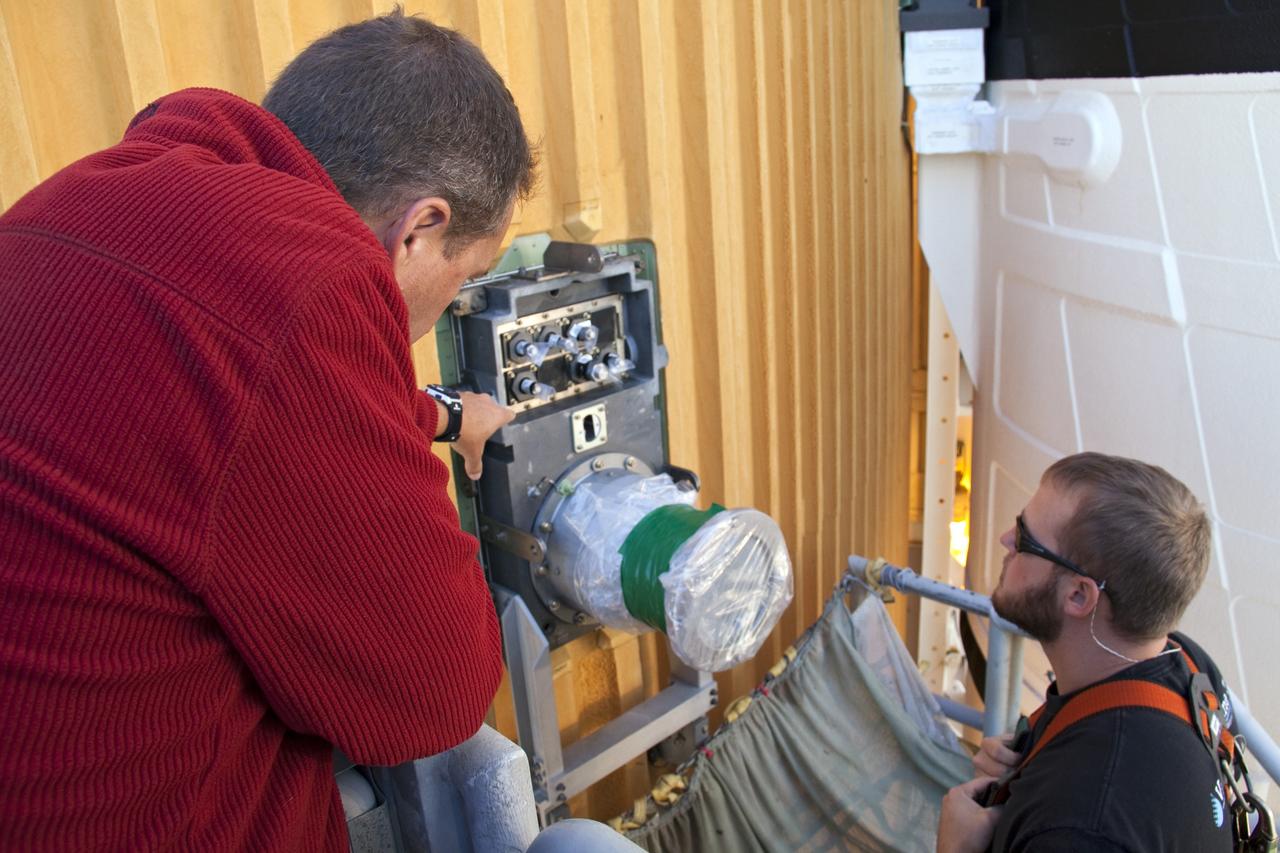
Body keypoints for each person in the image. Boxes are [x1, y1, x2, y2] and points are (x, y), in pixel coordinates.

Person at [0, 10, 533, 851]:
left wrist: (442, 414)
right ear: (421, 227)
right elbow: (434, 689)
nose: (443, 313)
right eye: (464, 279)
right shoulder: (304, 286)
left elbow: (213, 409)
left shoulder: (69, 204)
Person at [937, 452, 1237, 853]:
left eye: (1025, 537)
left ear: (1078, 595)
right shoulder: (1184, 663)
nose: (1006, 539)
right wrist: (1034, 759)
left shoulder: (1081, 826)